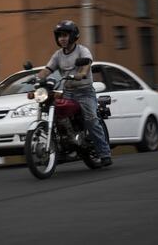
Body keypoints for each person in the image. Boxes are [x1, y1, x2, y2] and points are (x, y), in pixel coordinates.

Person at [37, 20, 112, 166]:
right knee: (56, 113)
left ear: (72, 36)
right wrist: (37, 78)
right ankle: (62, 148)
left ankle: (104, 153)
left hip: (85, 92)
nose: (62, 39)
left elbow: (85, 67)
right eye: (59, 36)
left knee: (91, 119)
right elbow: (47, 69)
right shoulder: (58, 55)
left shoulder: (82, 51)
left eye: (64, 35)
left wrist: (81, 74)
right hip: (68, 92)